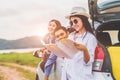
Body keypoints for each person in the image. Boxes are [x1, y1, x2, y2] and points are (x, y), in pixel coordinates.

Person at [61, 7, 97, 80]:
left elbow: (88, 62)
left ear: (83, 20)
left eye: (75, 21)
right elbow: (66, 57)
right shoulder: (70, 36)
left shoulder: (90, 38)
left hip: (81, 77)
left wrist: (84, 49)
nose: (73, 24)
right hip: (67, 76)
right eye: (71, 22)